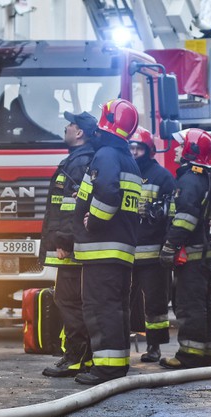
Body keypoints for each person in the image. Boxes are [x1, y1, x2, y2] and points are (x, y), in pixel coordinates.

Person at [72, 98, 142, 385]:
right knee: (116, 308)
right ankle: (117, 364)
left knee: (101, 308)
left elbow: (109, 193)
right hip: (118, 250)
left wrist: (94, 220)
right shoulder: (128, 159)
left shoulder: (106, 155)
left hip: (102, 249)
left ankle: (106, 369)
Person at [39, 111, 98, 378]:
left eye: (71, 124)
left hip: (71, 247)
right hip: (74, 243)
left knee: (68, 300)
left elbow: (71, 208)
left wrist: (63, 241)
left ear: (80, 132)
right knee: (72, 300)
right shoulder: (77, 160)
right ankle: (82, 356)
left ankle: (75, 357)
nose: (66, 127)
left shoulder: (78, 163)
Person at [159, 128, 211, 369]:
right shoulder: (199, 177)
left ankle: (189, 356)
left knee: (189, 305)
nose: (176, 149)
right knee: (203, 305)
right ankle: (205, 353)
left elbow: (185, 218)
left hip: (192, 256)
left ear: (191, 150)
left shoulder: (189, 180)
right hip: (200, 254)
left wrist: (169, 245)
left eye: (181, 145)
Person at [128, 127, 176, 363]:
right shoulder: (125, 174)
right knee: (123, 301)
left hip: (153, 256)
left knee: (155, 303)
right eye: (131, 148)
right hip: (126, 253)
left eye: (139, 148)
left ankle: (154, 346)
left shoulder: (162, 177)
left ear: (149, 151)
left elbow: (171, 215)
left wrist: (168, 246)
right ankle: (120, 344)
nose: (134, 152)